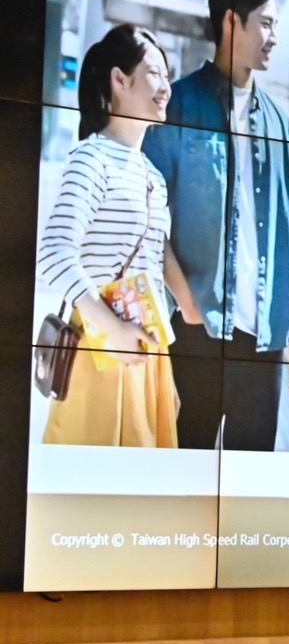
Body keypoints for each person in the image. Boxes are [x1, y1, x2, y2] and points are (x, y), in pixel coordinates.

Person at [144, 0, 289, 452]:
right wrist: (188, 305)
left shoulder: (281, 124)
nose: (274, 37)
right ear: (231, 22)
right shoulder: (178, 106)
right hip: (196, 331)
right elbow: (150, 217)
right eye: (266, 23)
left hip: (265, 340)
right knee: (182, 469)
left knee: (248, 480)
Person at [38, 24, 181, 447]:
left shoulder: (153, 176)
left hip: (145, 355)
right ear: (120, 80)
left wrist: (166, 371)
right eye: (154, 74)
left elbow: (150, 276)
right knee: (93, 479)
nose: (165, 88)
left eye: (168, 76)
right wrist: (112, 329)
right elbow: (54, 253)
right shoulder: (91, 158)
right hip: (98, 351)